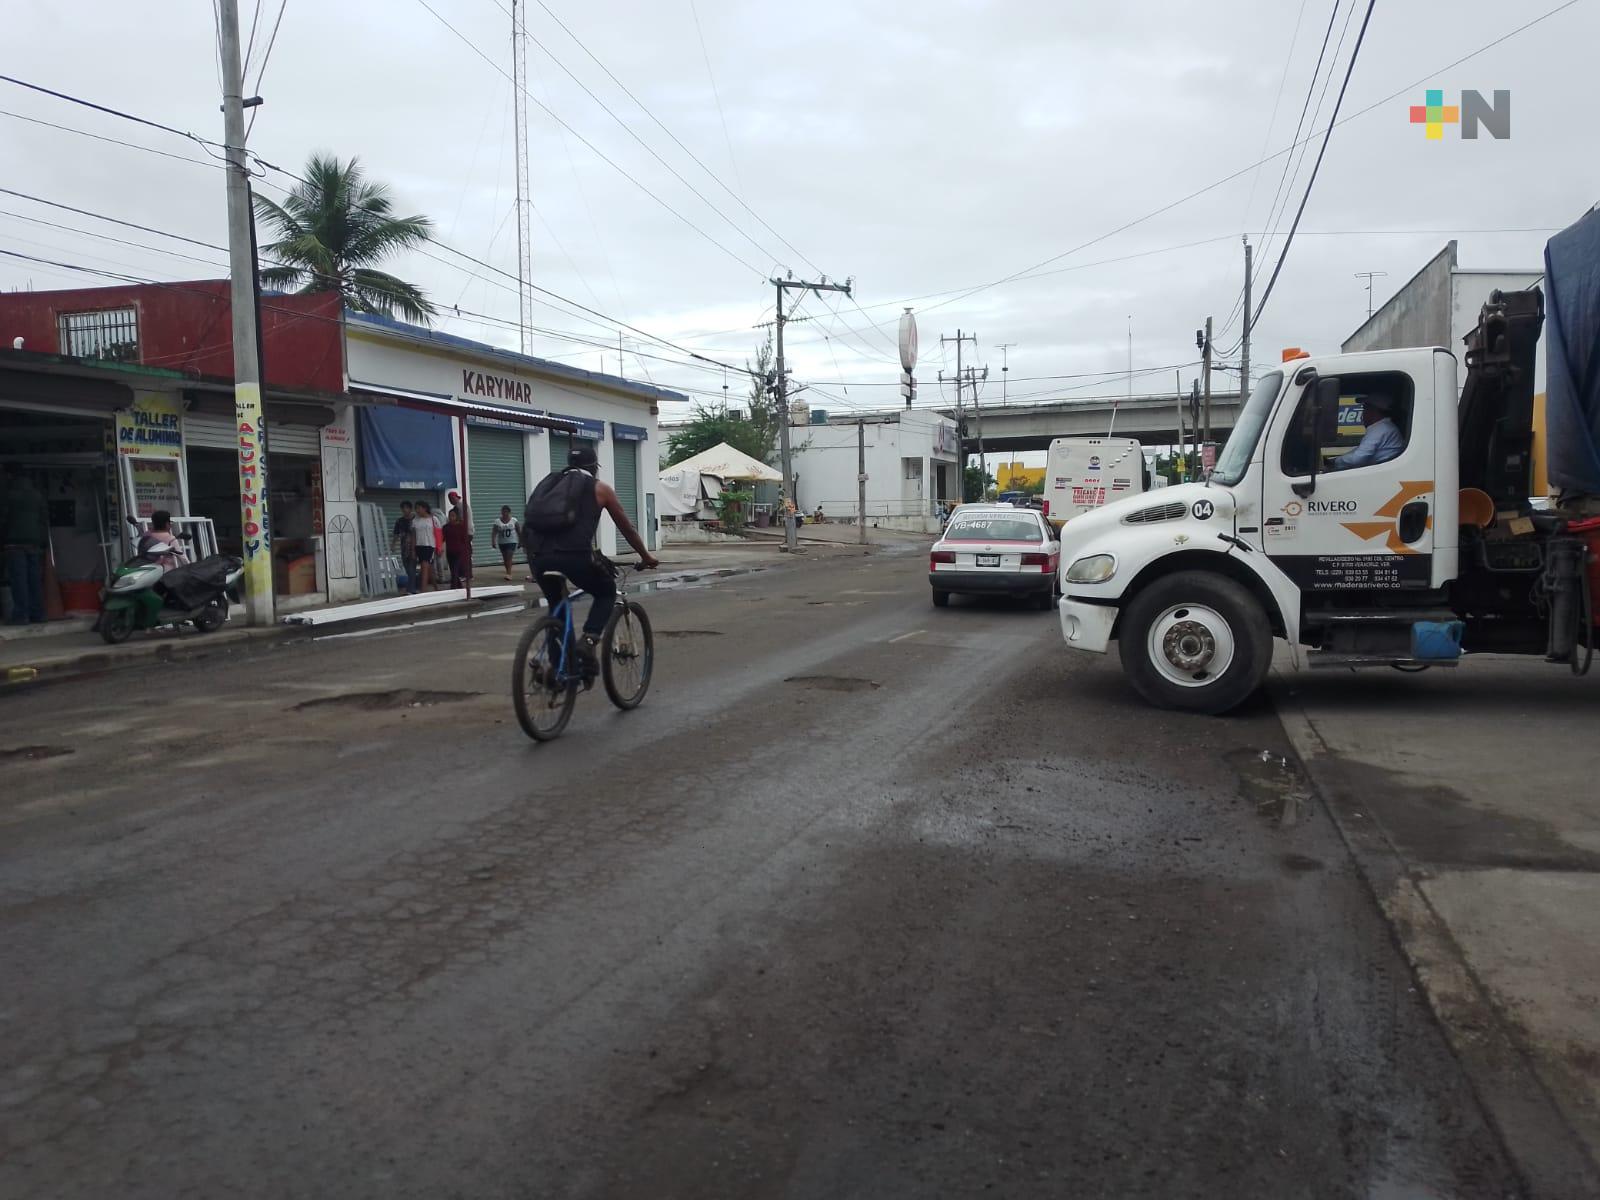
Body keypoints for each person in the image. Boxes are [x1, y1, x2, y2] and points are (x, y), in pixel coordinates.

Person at [525, 444, 659, 674]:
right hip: (573, 556)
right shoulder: (600, 489)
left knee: (557, 605)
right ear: (594, 467)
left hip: (537, 557)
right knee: (605, 591)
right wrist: (646, 556)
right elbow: (626, 528)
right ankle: (588, 642)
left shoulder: (548, 484)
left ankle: (558, 671)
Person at [2, 472, 48, 624]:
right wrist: (42, 540)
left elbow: (3, 518)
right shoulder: (37, 495)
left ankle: (21, 615)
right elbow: (44, 519)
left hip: (14, 542)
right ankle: (38, 614)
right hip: (34, 542)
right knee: (34, 579)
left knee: (19, 579)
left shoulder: (8, 495)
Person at [1330, 394, 1405, 471]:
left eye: (1365, 409)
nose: (1363, 413)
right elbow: (1359, 451)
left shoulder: (1380, 429)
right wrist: (1335, 459)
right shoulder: (1383, 427)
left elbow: (1357, 458)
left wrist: (1335, 462)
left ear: (1373, 411)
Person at [442, 508, 473, 589]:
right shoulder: (446, 527)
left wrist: (467, 551)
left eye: (453, 516)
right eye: (450, 516)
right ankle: (458, 586)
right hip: (450, 552)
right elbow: (442, 538)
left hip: (459, 552)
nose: (451, 518)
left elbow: (465, 539)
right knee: (452, 571)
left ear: (457, 516)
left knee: (456, 571)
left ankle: (454, 587)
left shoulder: (461, 526)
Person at [412, 501, 439, 590]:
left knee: (424, 568)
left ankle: (423, 591)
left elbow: (439, 534)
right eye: (416, 508)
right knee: (429, 569)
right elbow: (414, 535)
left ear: (425, 508)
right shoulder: (415, 520)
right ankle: (436, 587)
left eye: (419, 508)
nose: (417, 510)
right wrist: (413, 549)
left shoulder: (434, 519)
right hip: (419, 546)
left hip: (429, 545)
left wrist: (440, 547)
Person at [392, 500, 418, 594]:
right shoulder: (399, 521)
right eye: (403, 508)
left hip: (414, 546)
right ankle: (412, 587)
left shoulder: (415, 520)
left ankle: (411, 589)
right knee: (408, 568)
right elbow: (396, 534)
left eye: (407, 508)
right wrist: (393, 545)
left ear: (410, 509)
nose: (404, 510)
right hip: (404, 547)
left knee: (412, 568)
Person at [491, 505, 520, 582]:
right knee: (505, 558)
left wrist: (521, 541)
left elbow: (518, 531)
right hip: (502, 542)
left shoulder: (514, 520)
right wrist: (493, 541)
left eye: (506, 512)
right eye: (503, 512)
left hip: (512, 541)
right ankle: (508, 571)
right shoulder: (497, 521)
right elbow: (494, 532)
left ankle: (509, 574)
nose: (505, 513)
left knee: (509, 556)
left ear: (509, 512)